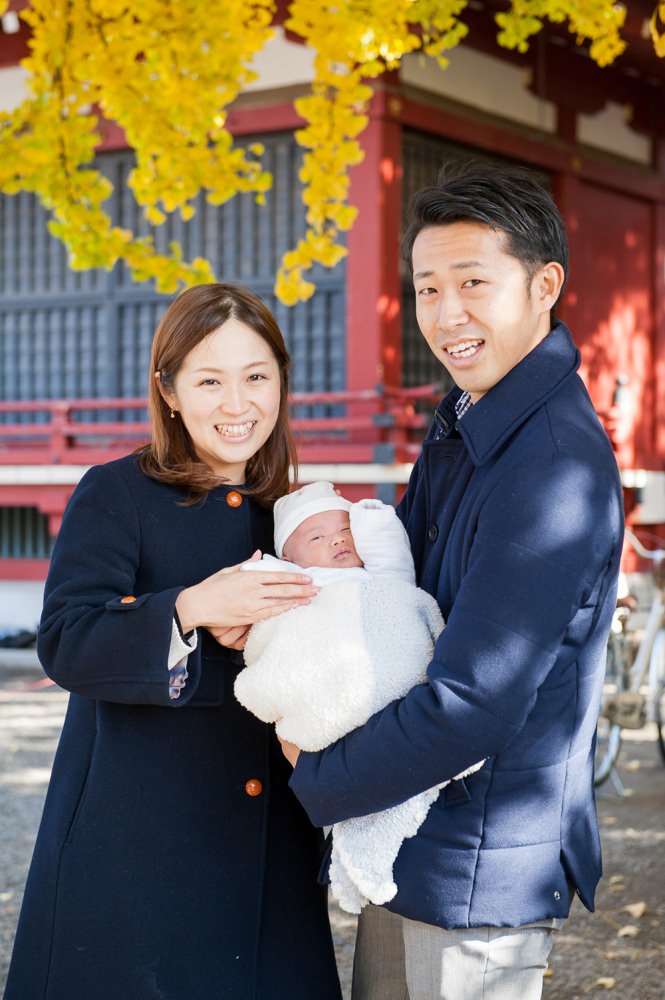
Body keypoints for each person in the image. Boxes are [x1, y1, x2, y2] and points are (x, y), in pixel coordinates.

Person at [281, 162, 625, 1000]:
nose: (445, 314)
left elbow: (474, 701)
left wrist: (312, 777)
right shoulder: (469, 419)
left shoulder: (546, 466)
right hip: (416, 834)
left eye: (472, 282)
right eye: (426, 288)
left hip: (477, 860)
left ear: (544, 285)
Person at [4, 283, 343, 1000]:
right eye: (209, 380)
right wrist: (188, 610)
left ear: (282, 381)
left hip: (267, 847)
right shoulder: (116, 492)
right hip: (138, 852)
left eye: (256, 376)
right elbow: (66, 639)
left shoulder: (292, 516)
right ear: (168, 390)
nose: (236, 402)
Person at [235, 481, 483, 914]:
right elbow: (259, 590)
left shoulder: (380, 574)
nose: (336, 539)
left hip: (389, 659)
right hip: (331, 665)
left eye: (344, 530)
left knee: (392, 785)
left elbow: (387, 539)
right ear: (289, 556)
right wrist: (253, 574)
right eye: (316, 536)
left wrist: (365, 513)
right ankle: (357, 851)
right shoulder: (298, 579)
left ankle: (367, 853)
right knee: (360, 781)